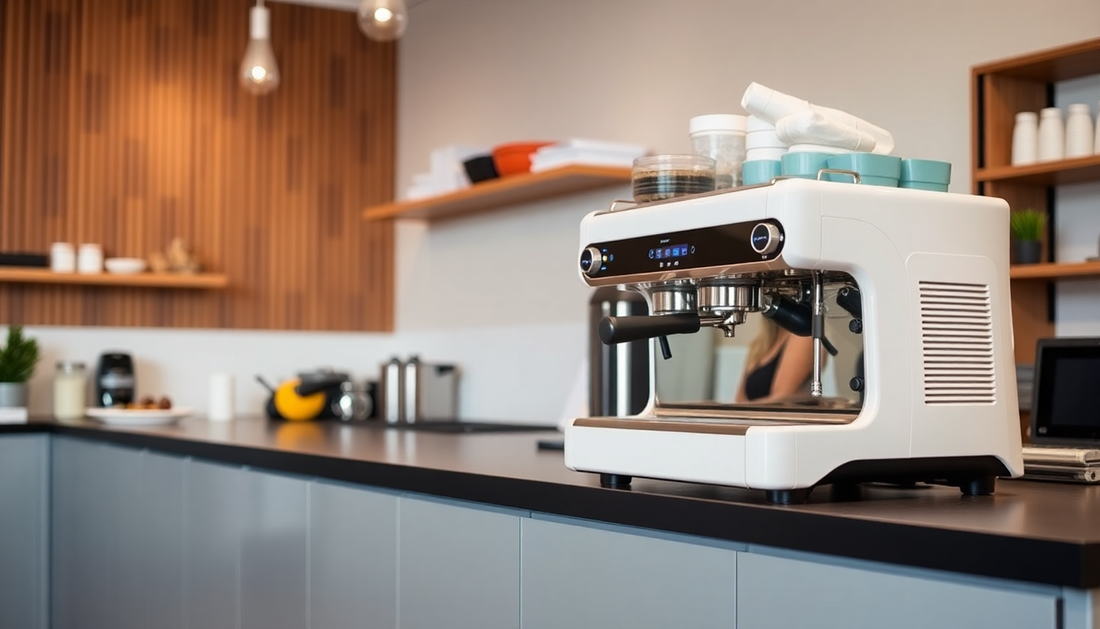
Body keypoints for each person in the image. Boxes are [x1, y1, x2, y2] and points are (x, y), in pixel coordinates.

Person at [735, 319, 817, 403]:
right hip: (755, 415)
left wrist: (744, 410)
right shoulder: (758, 346)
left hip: (782, 415)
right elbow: (739, 399)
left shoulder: (803, 336)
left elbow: (781, 398)